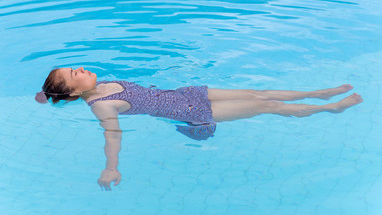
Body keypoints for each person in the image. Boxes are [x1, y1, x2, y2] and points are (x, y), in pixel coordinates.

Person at [35, 67, 363, 191]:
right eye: (74, 75)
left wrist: (44, 94)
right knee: (268, 106)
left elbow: (145, 94)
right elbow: (113, 135)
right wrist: (111, 167)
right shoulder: (101, 106)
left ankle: (317, 93)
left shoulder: (104, 83)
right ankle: (329, 107)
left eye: (74, 67)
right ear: (76, 93)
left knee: (257, 94)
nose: (80, 69)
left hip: (186, 94)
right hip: (195, 112)